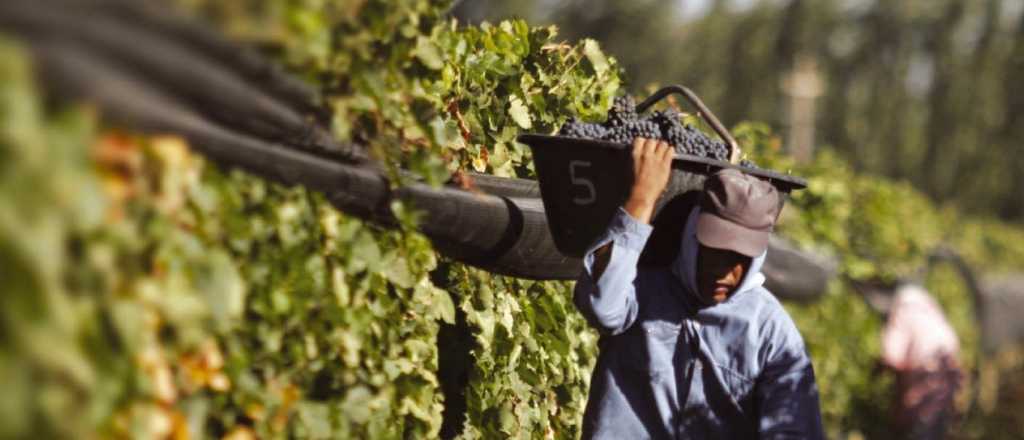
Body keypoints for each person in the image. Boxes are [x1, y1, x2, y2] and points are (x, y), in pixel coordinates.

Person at [573, 138, 825, 439]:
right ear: (692, 237)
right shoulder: (643, 287)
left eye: (741, 259)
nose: (727, 272)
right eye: (715, 251)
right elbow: (602, 307)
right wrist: (641, 199)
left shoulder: (770, 331)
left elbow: (794, 429)